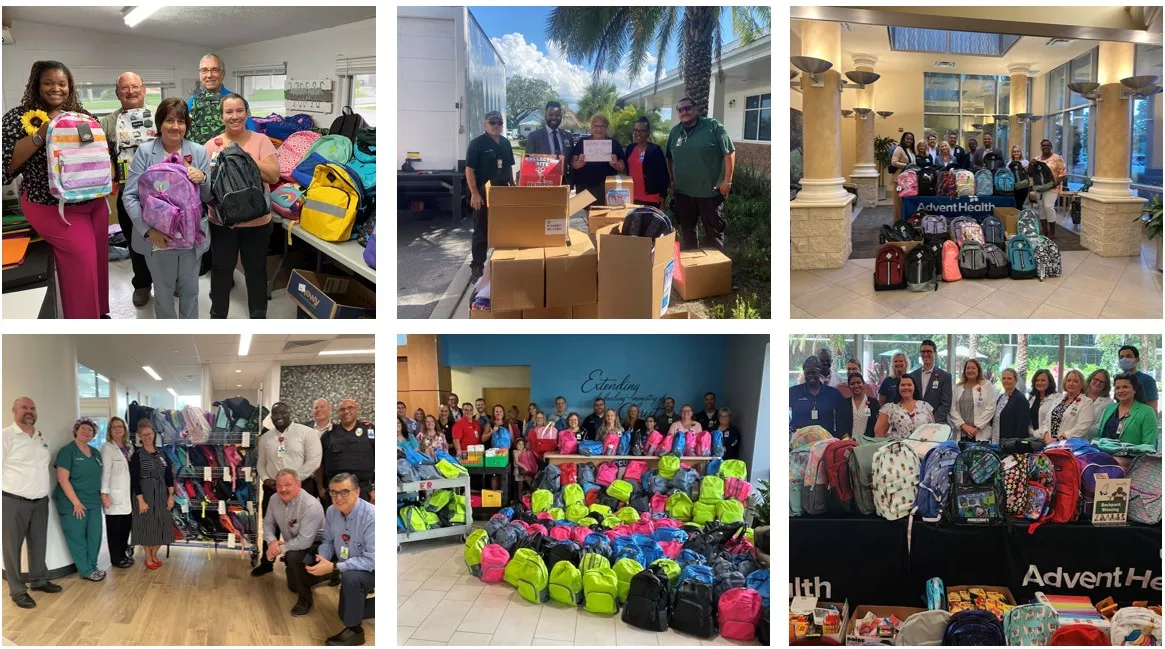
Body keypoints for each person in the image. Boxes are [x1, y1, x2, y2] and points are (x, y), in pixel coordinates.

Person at [2, 61, 112, 319]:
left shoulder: (83, 116)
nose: (56, 89)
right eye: (48, 83)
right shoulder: (18, 118)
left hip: (93, 202)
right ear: (36, 85)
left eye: (62, 83)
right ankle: (84, 325)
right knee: (81, 267)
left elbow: (106, 153)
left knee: (97, 265)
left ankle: (99, 315)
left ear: (70, 87)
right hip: (51, 207)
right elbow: (5, 165)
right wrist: (41, 133)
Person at [122, 97, 211, 318]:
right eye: (169, 120)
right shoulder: (145, 152)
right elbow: (130, 196)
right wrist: (148, 231)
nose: (175, 126)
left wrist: (203, 178)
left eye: (181, 121)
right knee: (163, 292)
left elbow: (208, 198)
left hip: (191, 237)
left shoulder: (198, 152)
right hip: (159, 237)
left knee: (191, 291)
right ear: (160, 123)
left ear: (186, 125)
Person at [204, 93, 278, 318]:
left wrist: (242, 156)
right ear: (221, 116)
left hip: (257, 222)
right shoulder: (210, 145)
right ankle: (218, 316)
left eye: (239, 111)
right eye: (229, 112)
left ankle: (258, 315)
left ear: (247, 113)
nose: (234, 116)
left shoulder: (261, 141)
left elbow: (274, 176)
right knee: (221, 270)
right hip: (222, 223)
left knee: (256, 270)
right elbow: (205, 185)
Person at [101, 71, 157, 308]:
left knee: (171, 239)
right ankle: (142, 284)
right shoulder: (106, 123)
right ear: (117, 93)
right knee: (137, 242)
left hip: (163, 194)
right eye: (125, 88)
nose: (131, 91)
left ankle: (172, 279)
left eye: (136, 86)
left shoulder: (160, 116)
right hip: (128, 195)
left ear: (144, 89)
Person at [3, 398, 61, 608]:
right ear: (14, 410)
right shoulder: (5, 436)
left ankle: (39, 580)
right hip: (13, 501)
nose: (29, 411)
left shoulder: (39, 436)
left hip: (40, 501)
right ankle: (17, 590)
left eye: (32, 408)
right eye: (24, 407)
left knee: (39, 543)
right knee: (12, 548)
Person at [307, 473, 374, 646]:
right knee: (344, 613)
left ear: (357, 492)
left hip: (373, 568)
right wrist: (323, 558)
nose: (338, 497)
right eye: (333, 492)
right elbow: (328, 541)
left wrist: (335, 567)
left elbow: (373, 560)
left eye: (344, 492)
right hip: (348, 563)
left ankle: (355, 632)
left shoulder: (372, 518)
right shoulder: (331, 511)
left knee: (351, 579)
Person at [256, 402, 323, 575]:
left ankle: (292, 559)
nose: (278, 416)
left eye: (282, 412)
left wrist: (294, 481)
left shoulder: (307, 433)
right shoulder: (266, 438)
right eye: (274, 414)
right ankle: (266, 562)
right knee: (270, 523)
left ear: (289, 412)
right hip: (272, 487)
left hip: (301, 486)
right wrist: (266, 479)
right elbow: (261, 464)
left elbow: (314, 460)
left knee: (297, 526)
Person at [665, 97, 735, 251]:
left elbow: (729, 153)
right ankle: (693, 268)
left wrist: (727, 181)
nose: (685, 112)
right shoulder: (675, 132)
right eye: (681, 109)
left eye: (688, 108)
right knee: (688, 233)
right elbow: (669, 157)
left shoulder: (713, 126)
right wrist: (672, 180)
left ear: (696, 109)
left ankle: (715, 269)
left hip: (709, 192)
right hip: (683, 193)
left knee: (714, 234)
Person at [259, 469, 327, 617]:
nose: (283, 489)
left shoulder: (310, 505)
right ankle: (330, 575)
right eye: (279, 485)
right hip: (295, 544)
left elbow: (304, 541)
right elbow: (267, 524)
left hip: (318, 547)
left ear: (299, 484)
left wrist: (278, 549)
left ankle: (305, 600)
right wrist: (271, 542)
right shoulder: (274, 499)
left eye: (288, 485)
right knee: (293, 586)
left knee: (294, 557)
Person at [466, 111, 515, 281]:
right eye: (492, 122)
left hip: (502, 193)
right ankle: (478, 266)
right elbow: (469, 170)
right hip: (483, 194)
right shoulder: (477, 144)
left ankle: (502, 263)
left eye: (499, 122)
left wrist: (513, 186)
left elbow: (508, 167)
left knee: (504, 228)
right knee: (481, 230)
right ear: (485, 125)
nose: (496, 125)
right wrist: (474, 193)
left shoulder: (506, 143)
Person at [54, 418, 105, 581]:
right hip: (73, 503)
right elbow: (63, 479)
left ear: (94, 434)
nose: (86, 432)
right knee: (77, 537)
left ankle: (93, 566)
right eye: (83, 428)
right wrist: (76, 502)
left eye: (90, 430)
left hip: (94, 501)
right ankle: (86, 570)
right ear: (76, 430)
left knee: (95, 536)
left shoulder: (95, 453)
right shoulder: (67, 451)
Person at [129, 419, 174, 570]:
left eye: (149, 434)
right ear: (140, 437)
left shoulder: (162, 453)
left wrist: (171, 495)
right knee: (147, 527)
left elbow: (169, 475)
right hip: (145, 494)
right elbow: (134, 479)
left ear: (154, 434)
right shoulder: (137, 456)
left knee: (163, 525)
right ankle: (149, 557)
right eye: (143, 435)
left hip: (162, 494)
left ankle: (154, 553)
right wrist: (140, 500)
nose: (147, 437)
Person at [185, 54, 256, 144]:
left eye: (215, 70)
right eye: (204, 70)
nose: (209, 75)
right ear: (200, 74)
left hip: (231, 155)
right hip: (200, 156)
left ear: (223, 74)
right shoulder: (192, 102)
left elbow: (252, 136)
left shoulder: (238, 101)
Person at [321, 399, 376, 505]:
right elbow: (321, 463)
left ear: (357, 410)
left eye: (350, 408)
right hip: (335, 491)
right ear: (338, 413)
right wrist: (321, 487)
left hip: (364, 491)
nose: (346, 411)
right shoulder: (329, 435)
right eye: (342, 409)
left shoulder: (370, 431)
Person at [99, 416, 134, 569]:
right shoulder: (107, 448)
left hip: (127, 495)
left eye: (120, 426)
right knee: (114, 529)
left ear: (124, 429)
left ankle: (123, 554)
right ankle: (116, 558)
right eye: (114, 427)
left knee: (125, 527)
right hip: (113, 495)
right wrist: (104, 494)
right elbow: (105, 472)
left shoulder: (129, 447)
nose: (118, 429)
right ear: (110, 431)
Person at [571, 113, 626, 207]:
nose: (599, 129)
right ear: (591, 127)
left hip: (607, 188)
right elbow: (573, 163)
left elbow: (622, 167)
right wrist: (579, 164)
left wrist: (616, 164)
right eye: (596, 126)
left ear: (607, 128)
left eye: (603, 126)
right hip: (584, 186)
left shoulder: (614, 143)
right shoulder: (582, 142)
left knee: (605, 215)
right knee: (589, 213)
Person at [1097, 374, 1159, 446]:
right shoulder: (1110, 408)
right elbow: (1100, 434)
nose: (1120, 390)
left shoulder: (1147, 411)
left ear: (1135, 389)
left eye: (1125, 387)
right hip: (1104, 454)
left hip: (1131, 456)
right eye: (1117, 388)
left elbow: (1149, 445)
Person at [1039, 369, 1095, 442]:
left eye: (1075, 381)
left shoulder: (1087, 402)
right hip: (1049, 443)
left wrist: (1060, 439)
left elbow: (1082, 427)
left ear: (1082, 384)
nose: (1071, 383)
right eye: (1068, 380)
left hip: (1070, 445)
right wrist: (1046, 437)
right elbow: (1046, 420)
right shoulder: (1058, 399)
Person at [949, 359, 998, 442]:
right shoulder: (957, 388)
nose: (970, 370)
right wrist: (963, 425)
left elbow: (991, 407)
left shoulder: (986, 385)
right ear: (964, 371)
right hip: (961, 434)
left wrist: (977, 427)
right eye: (968, 368)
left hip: (980, 433)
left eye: (973, 368)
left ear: (978, 370)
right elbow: (952, 409)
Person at [626, 116, 670, 208]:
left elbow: (663, 173)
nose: (638, 133)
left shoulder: (655, 150)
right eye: (636, 130)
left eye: (642, 130)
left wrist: (663, 195)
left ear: (648, 133)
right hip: (632, 196)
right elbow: (625, 169)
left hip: (651, 198)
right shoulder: (630, 148)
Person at [790, 357, 843, 433]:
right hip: (800, 441)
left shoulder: (833, 393)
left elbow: (842, 417)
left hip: (826, 441)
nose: (810, 376)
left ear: (819, 373)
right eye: (808, 373)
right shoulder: (793, 392)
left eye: (814, 372)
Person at [908, 340, 953, 423]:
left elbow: (946, 404)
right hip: (915, 422)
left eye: (929, 351)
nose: (925, 354)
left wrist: (933, 421)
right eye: (923, 351)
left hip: (936, 424)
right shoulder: (912, 376)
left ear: (935, 354)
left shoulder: (945, 377)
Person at [524, 101, 574, 171]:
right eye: (550, 115)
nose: (554, 117)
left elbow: (571, 161)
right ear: (545, 114)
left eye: (557, 115)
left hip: (564, 179)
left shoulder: (568, 136)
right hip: (543, 179)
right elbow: (528, 161)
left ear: (561, 116)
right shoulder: (534, 136)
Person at [1032, 139, 1067, 238]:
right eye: (1043, 145)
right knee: (1041, 208)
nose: (1045, 147)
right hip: (1039, 187)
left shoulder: (1057, 158)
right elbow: (1031, 173)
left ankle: (1052, 232)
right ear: (1041, 147)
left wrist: (1056, 183)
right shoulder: (1037, 158)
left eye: (1047, 145)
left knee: (1048, 207)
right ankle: (1044, 230)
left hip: (1052, 187)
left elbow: (1063, 172)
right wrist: (1031, 164)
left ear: (1051, 147)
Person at [834, 373, 880, 439]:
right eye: (852, 384)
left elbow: (876, 424)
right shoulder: (843, 404)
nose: (856, 386)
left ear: (863, 384)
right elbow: (840, 425)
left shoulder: (874, 403)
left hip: (868, 442)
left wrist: (865, 440)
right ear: (849, 386)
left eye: (858, 382)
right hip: (848, 443)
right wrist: (848, 440)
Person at [994, 369, 1031, 443]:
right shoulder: (1001, 397)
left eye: (1009, 378)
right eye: (1004, 378)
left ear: (1016, 380)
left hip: (1011, 444)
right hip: (998, 441)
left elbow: (1022, 425)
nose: (1006, 381)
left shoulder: (1020, 399)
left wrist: (1016, 444)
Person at [1118, 345, 1159, 412]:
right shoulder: (1118, 380)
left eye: (1128, 356)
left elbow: (1153, 409)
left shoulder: (1147, 380)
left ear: (1137, 360)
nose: (1124, 359)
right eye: (1121, 357)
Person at [890, 131, 917, 218]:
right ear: (903, 139)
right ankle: (897, 223)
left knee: (906, 202)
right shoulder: (899, 149)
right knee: (898, 203)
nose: (909, 141)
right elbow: (894, 162)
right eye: (907, 139)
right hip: (899, 180)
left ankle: (905, 222)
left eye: (911, 139)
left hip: (909, 181)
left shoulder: (911, 151)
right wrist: (907, 166)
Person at [1028, 369, 1057, 437]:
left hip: (1048, 438)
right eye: (1037, 380)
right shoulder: (1032, 398)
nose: (1039, 383)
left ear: (1050, 382)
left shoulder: (1056, 399)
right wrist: (1031, 432)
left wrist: (1038, 433)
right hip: (1032, 438)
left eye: (1043, 380)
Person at [1085, 369, 1114, 437]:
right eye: (1096, 379)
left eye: (1102, 382)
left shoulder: (1109, 403)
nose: (1098, 383)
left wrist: (1079, 429)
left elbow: (1101, 426)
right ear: (1090, 379)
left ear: (1105, 385)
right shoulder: (1079, 396)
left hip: (1092, 441)